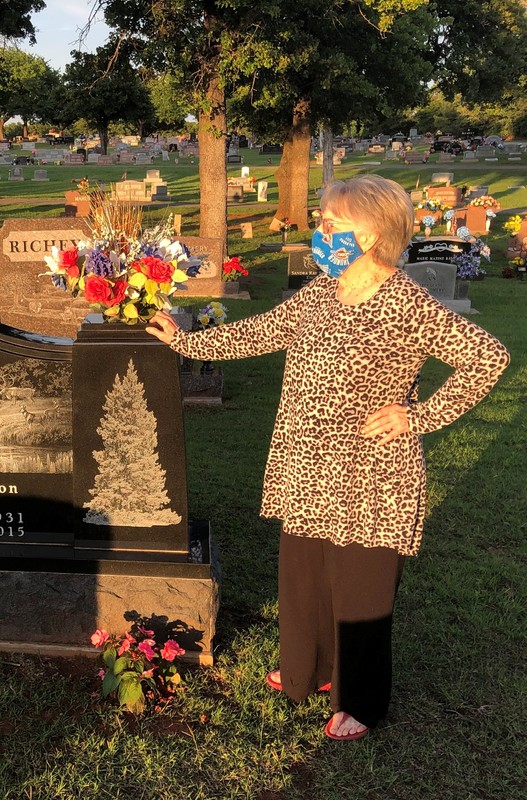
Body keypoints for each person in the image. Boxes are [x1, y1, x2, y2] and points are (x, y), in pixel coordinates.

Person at [146, 175, 510, 741]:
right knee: (306, 577)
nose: (319, 232)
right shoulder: (320, 292)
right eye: (320, 221)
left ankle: (358, 700)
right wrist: (184, 341)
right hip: (307, 464)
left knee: (360, 589)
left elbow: (488, 358)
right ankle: (307, 670)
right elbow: (257, 334)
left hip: (372, 473)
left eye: (331, 224)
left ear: (371, 233)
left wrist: (415, 417)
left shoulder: (404, 301)